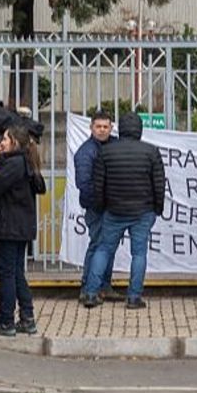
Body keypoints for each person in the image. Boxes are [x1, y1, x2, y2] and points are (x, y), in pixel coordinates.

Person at [83, 113, 166, 309]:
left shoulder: (106, 152)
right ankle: (134, 297)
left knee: (103, 249)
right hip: (142, 211)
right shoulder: (151, 152)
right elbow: (159, 184)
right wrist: (158, 209)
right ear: (139, 129)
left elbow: (98, 185)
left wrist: (103, 207)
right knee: (139, 254)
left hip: (114, 211)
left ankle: (91, 293)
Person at [0, 123, 47, 335]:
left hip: (9, 226)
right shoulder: (23, 162)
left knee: (7, 274)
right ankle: (27, 317)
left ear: (15, 142)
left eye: (4, 139)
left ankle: (6, 321)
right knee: (17, 273)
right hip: (18, 226)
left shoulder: (14, 164)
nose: (0, 144)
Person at [74, 111, 121, 304]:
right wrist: (100, 202)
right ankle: (88, 286)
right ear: (91, 127)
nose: (102, 130)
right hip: (96, 208)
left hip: (112, 206)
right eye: (98, 126)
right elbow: (84, 184)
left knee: (108, 246)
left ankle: (104, 285)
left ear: (111, 128)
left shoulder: (116, 145)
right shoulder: (86, 152)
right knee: (97, 245)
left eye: (105, 127)